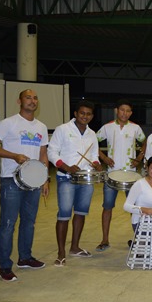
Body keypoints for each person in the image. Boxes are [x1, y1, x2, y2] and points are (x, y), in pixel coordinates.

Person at [0, 89, 49, 281]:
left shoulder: (42, 127)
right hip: (11, 181)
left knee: (29, 223)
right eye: (28, 97)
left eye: (35, 97)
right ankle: (5, 266)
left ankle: (25, 258)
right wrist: (14, 156)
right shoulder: (9, 123)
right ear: (19, 101)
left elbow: (43, 154)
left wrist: (45, 179)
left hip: (34, 183)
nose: (32, 101)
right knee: (8, 224)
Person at [48, 100, 103, 267]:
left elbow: (94, 154)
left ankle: (74, 247)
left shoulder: (92, 134)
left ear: (92, 116)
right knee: (64, 214)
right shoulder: (63, 129)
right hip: (66, 178)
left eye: (88, 114)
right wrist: (65, 167)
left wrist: (96, 163)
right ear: (75, 114)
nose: (85, 116)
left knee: (80, 213)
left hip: (85, 179)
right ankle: (61, 252)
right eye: (82, 113)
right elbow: (51, 151)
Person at [95, 99, 146, 252]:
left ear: (131, 113)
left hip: (131, 175)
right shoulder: (107, 127)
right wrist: (103, 158)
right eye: (122, 110)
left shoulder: (135, 128)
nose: (125, 113)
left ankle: (139, 238)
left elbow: (145, 142)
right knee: (107, 207)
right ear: (117, 110)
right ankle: (104, 239)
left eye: (128, 111)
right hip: (111, 174)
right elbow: (92, 141)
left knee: (136, 208)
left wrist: (139, 158)